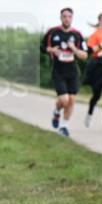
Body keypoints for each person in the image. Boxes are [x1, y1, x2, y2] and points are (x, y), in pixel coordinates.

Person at [42, 8, 88, 136]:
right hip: (58, 71)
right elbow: (43, 47)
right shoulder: (52, 32)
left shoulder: (77, 35)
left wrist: (74, 49)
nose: (67, 19)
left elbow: (84, 55)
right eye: (64, 16)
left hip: (72, 71)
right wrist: (52, 50)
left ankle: (64, 126)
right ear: (60, 17)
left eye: (69, 16)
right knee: (64, 100)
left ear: (72, 18)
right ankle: (57, 112)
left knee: (71, 100)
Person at [84, 13, 102, 132]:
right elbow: (89, 50)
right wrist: (101, 45)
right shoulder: (96, 34)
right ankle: (90, 113)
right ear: (99, 20)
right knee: (96, 95)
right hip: (98, 65)